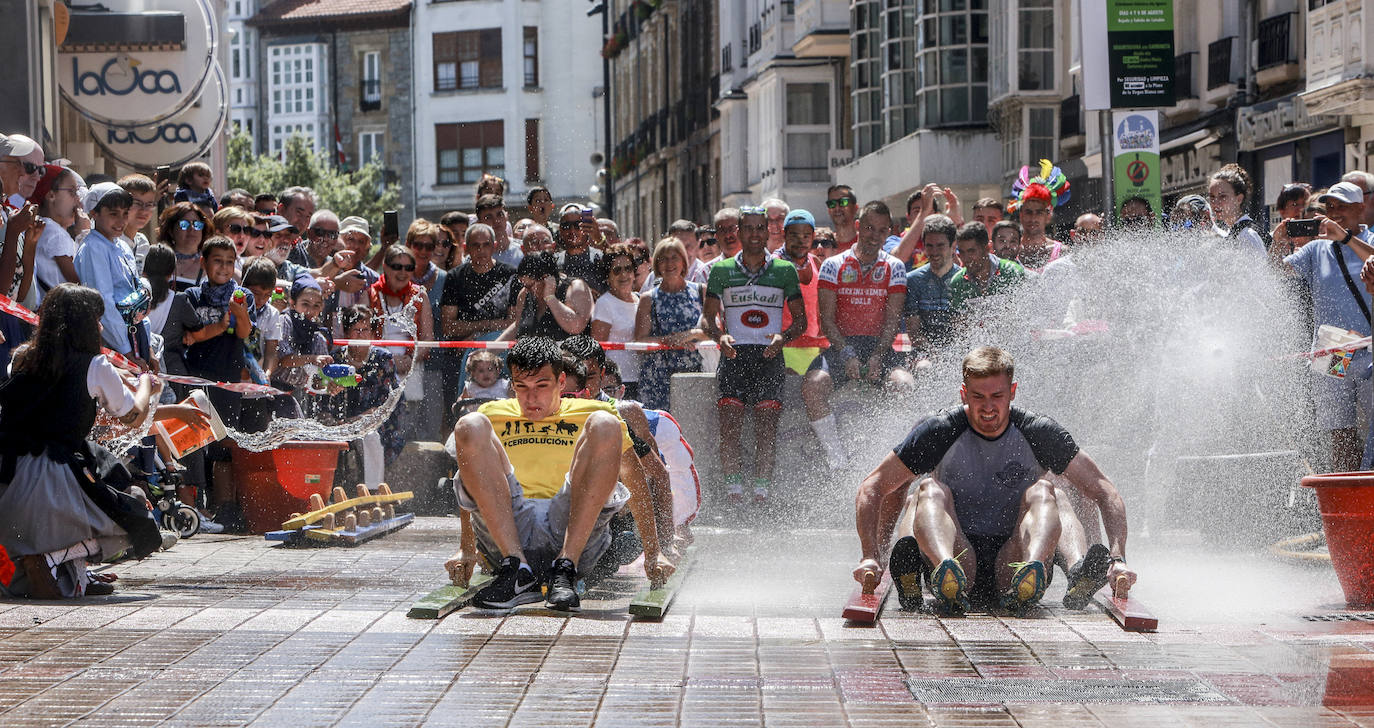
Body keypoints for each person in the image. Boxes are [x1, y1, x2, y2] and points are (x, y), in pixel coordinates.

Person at [852, 346, 1137, 614]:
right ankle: (941, 569)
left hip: (1013, 560)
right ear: (964, 394)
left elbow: (1104, 491)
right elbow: (874, 486)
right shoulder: (939, 429)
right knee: (927, 490)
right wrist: (872, 555)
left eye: (997, 396)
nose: (988, 408)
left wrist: (1118, 559)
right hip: (959, 558)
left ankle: (1051, 570)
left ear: (1012, 392)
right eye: (978, 397)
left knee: (1046, 491)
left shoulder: (1039, 431)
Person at [445, 336, 673, 611]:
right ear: (511, 386)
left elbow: (634, 477)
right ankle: (516, 569)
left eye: (542, 386)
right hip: (508, 530)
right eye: (522, 387)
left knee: (605, 423)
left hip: (572, 527)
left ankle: (566, 566)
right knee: (469, 424)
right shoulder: (493, 412)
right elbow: (471, 478)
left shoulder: (594, 409)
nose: (531, 398)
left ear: (561, 382)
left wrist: (654, 551)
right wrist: (466, 548)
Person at [0, 284, 166, 598]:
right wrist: (146, 384)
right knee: (135, 518)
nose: (101, 327)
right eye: (96, 320)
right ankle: (47, 558)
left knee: (105, 482)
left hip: (8, 475)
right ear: (82, 324)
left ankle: (77, 576)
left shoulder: (22, 357)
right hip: (51, 477)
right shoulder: (95, 365)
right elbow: (133, 415)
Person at [703, 205, 806, 505]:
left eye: (760, 228)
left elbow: (802, 322)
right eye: (748, 228)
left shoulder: (784, 270)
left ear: (768, 230)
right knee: (730, 429)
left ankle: (762, 494)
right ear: (738, 230)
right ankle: (733, 494)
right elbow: (708, 318)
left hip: (769, 357)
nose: (755, 234)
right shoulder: (720, 271)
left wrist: (783, 337)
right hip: (734, 356)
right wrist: (718, 335)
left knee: (766, 431)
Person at [1274, 181, 1374, 472]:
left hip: (1368, 353)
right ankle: (1345, 499)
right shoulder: (1317, 249)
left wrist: (1345, 238)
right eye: (1330, 206)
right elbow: (1279, 271)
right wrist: (1278, 242)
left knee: (1370, 429)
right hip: (1333, 352)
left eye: (1342, 206)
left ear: (1360, 208)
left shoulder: (1369, 241)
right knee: (1340, 431)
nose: (1334, 212)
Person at [183, 237, 253, 530]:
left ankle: (225, 507)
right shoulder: (191, 295)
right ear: (204, 262)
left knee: (225, 441)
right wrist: (219, 326)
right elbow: (190, 335)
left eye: (229, 261)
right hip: (196, 373)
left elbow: (244, 334)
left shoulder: (241, 294)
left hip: (228, 375)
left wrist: (239, 316)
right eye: (217, 260)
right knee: (194, 441)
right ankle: (194, 507)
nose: (223, 267)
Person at [818, 200, 913, 390]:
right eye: (869, 228)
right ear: (857, 226)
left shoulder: (895, 266)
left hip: (880, 347)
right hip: (841, 345)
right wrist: (846, 354)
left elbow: (893, 321)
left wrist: (877, 355)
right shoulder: (832, 264)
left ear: (888, 232)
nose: (875, 236)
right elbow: (826, 321)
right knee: (813, 385)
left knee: (903, 384)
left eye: (882, 230)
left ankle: (895, 422)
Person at [779, 209, 843, 470]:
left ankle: (837, 461)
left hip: (814, 349)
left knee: (816, 399)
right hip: (784, 350)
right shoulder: (773, 265)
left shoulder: (816, 264)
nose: (802, 241)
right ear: (784, 235)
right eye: (794, 235)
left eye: (807, 235)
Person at [440, 223, 517, 422]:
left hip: (500, 353)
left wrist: (477, 333)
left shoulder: (509, 274)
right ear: (466, 247)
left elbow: (513, 322)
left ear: (494, 245)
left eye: (486, 244)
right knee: (461, 411)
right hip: (464, 355)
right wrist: (488, 327)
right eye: (476, 245)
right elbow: (449, 327)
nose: (481, 250)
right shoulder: (455, 277)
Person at [328, 305, 402, 488]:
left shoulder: (383, 359)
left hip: (376, 421)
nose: (361, 335)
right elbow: (325, 399)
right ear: (346, 333)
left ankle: (372, 491)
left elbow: (388, 403)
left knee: (370, 436)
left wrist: (359, 419)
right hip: (341, 422)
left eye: (365, 330)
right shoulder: (336, 358)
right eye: (356, 330)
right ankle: (329, 491)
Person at [367, 244, 433, 437]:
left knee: (406, 431)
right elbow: (362, 336)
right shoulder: (370, 293)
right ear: (386, 267)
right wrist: (388, 362)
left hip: (411, 367)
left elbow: (428, 338)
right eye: (397, 266)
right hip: (379, 367)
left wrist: (409, 361)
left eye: (408, 267)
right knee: (378, 429)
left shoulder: (420, 295)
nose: (403, 272)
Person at [635, 238, 706, 411]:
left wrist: (691, 334)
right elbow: (639, 342)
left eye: (674, 257)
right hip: (657, 379)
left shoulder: (700, 291)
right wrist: (667, 340)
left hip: (693, 374)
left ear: (683, 261)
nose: (669, 263)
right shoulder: (648, 298)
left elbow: (714, 332)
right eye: (663, 259)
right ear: (657, 265)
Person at [74, 184, 141, 359]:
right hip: (111, 344)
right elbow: (103, 303)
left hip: (131, 338)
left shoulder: (122, 245)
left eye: (125, 213)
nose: (121, 221)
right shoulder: (93, 248)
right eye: (113, 214)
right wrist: (125, 350)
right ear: (94, 213)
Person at [502, 251, 593, 341]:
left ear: (546, 279)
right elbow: (517, 326)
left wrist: (550, 297)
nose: (527, 290)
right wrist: (490, 350)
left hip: (570, 353)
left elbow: (576, 327)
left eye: (530, 286)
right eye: (524, 285)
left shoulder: (575, 288)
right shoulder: (525, 293)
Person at [904, 214, 963, 353]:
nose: (934, 252)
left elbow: (964, 331)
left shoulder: (964, 279)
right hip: (924, 353)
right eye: (929, 246)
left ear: (953, 245)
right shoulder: (912, 280)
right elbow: (914, 334)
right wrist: (936, 355)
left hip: (959, 352)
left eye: (940, 245)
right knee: (924, 367)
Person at [592, 243, 642, 400]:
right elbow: (598, 350)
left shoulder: (641, 300)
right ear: (608, 276)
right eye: (617, 270)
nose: (624, 275)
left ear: (634, 273)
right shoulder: (604, 304)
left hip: (641, 378)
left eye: (628, 269)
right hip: (616, 384)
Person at [28, 165, 83, 300]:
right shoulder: (55, 233)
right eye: (72, 192)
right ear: (51, 195)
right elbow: (80, 281)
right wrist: (84, 234)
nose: (77, 199)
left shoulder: (47, 227)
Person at [947, 222, 1027, 315]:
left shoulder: (1012, 272)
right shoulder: (958, 282)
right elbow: (959, 324)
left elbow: (1024, 316)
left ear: (987, 248)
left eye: (971, 251)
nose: (966, 258)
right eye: (962, 252)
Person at [1008, 160, 1071, 271]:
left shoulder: (1062, 252)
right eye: (1028, 212)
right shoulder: (1011, 251)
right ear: (1021, 215)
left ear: (1048, 216)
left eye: (1039, 212)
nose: (1033, 218)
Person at [1208, 164, 1268, 254]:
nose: (1215, 203)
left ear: (1239, 199)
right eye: (1212, 197)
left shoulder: (1247, 235)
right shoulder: (1234, 231)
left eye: (1222, 196)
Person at [156, 202, 212, 292]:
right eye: (184, 224)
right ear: (171, 230)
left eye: (197, 224)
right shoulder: (159, 261)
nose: (192, 229)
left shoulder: (211, 263)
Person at [555, 204, 605, 294]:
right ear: (560, 230)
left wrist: (599, 239)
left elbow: (621, 262)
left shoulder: (600, 258)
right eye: (566, 225)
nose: (572, 231)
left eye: (577, 225)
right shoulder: (554, 262)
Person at [117, 174, 159, 263]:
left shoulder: (142, 243)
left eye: (149, 205)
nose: (144, 211)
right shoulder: (110, 242)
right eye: (137, 203)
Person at [477, 194, 522, 268]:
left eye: (500, 214)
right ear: (480, 223)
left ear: (506, 216)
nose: (496, 221)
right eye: (488, 217)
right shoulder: (477, 256)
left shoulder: (523, 249)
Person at [824, 184, 859, 251]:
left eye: (843, 202)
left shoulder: (867, 243)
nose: (837, 208)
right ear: (828, 210)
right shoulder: (824, 246)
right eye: (832, 204)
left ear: (855, 208)